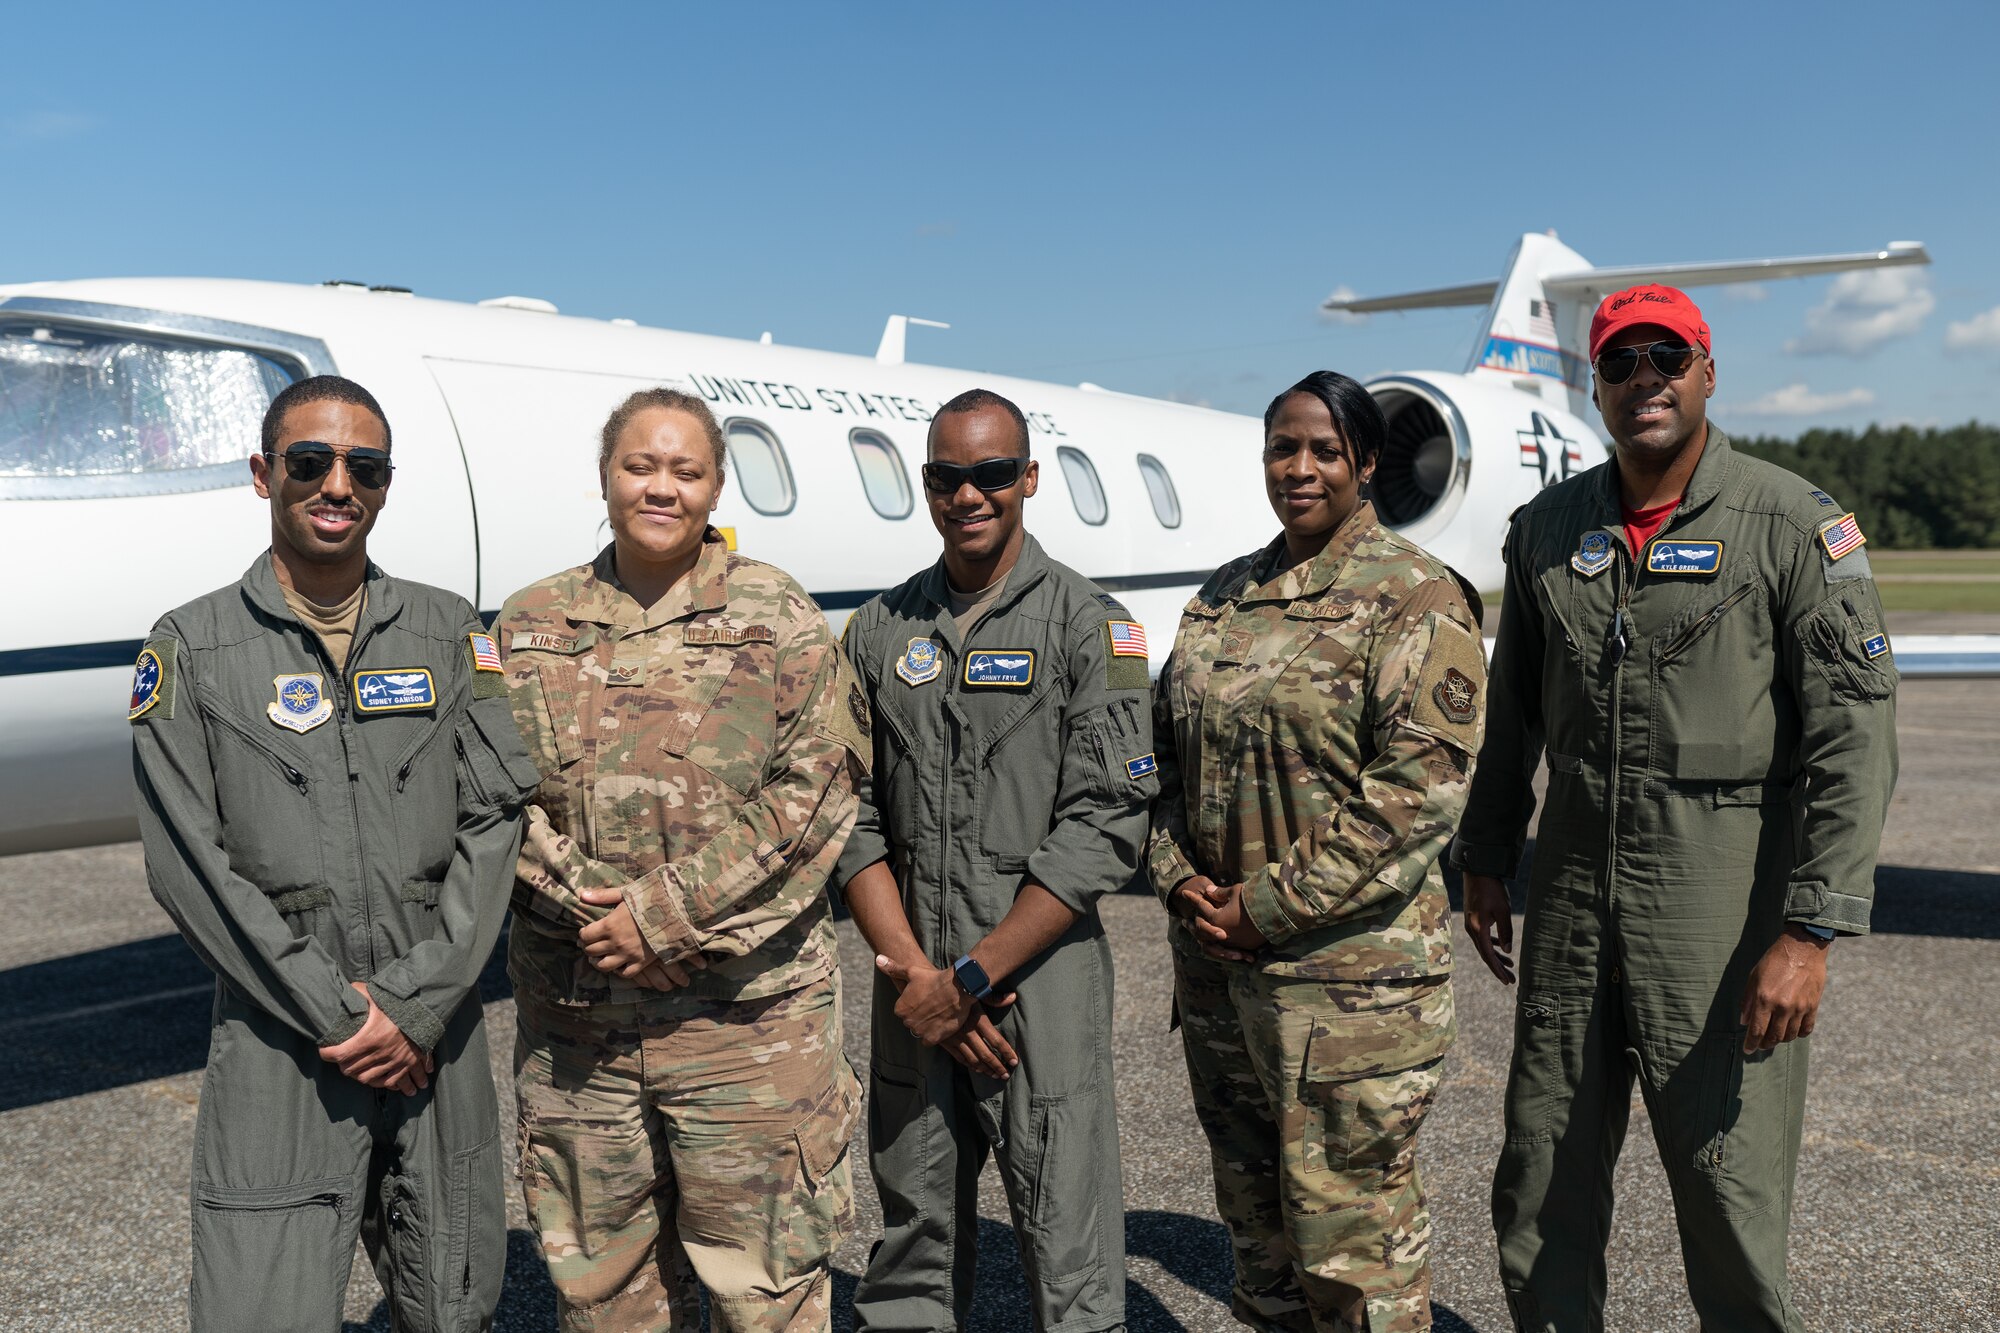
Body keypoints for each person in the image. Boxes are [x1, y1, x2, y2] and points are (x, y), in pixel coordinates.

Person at [1454, 286, 1899, 1332]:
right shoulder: (1548, 530)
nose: (1642, 377)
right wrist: (1482, 856)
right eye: (1618, 362)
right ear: (1596, 386)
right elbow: (1510, 711)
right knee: (1538, 1184)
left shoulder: (1790, 524)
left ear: (1705, 373)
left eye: (1667, 356)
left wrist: (1809, 927)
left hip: (1719, 907)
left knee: (1726, 1192)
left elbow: (1854, 732)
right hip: (1568, 897)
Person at [130, 375, 538, 1332]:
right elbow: (188, 862)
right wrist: (341, 1014)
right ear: (264, 473)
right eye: (310, 462)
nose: (336, 484)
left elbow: (495, 822)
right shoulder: (192, 646)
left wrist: (416, 1005)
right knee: (257, 1306)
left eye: (365, 466)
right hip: (283, 1035)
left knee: (455, 1300)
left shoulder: (448, 633)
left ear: (387, 485)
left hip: (435, 1033)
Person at [498, 387, 869, 1332]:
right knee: (604, 1296)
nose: (661, 487)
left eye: (686, 470)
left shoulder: (775, 612)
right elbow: (492, 802)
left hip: (747, 1029)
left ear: (713, 487)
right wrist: (597, 914)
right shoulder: (530, 623)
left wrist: (662, 916)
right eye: (640, 465)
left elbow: (818, 789)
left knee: (768, 1296)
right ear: (605, 475)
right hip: (582, 1032)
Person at [1147, 371, 1486, 1333]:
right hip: (1220, 976)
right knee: (1260, 1247)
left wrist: (1268, 906)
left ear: (1366, 463)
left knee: (1354, 1255)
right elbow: (1163, 763)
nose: (1299, 469)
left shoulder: (1413, 597)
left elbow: (1416, 795)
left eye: (1324, 450)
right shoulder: (1223, 596)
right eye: (1282, 449)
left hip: (1349, 995)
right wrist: (1178, 882)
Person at [837, 387, 1155, 1333]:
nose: (967, 495)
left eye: (988, 474)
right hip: (912, 986)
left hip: (1036, 988)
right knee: (910, 1243)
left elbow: (1107, 821)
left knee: (1069, 1249)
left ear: (1027, 479)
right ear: (925, 486)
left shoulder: (1089, 626)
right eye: (946, 477)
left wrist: (972, 976)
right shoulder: (879, 630)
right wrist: (919, 979)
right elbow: (847, 815)